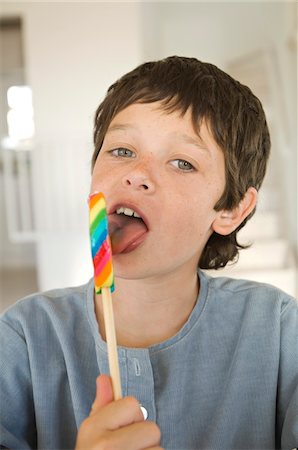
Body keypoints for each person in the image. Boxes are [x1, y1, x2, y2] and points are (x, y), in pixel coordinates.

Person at [0, 56, 297, 450]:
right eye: (122, 150)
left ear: (231, 210)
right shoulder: (24, 335)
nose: (137, 173)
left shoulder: (280, 332)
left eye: (181, 162)